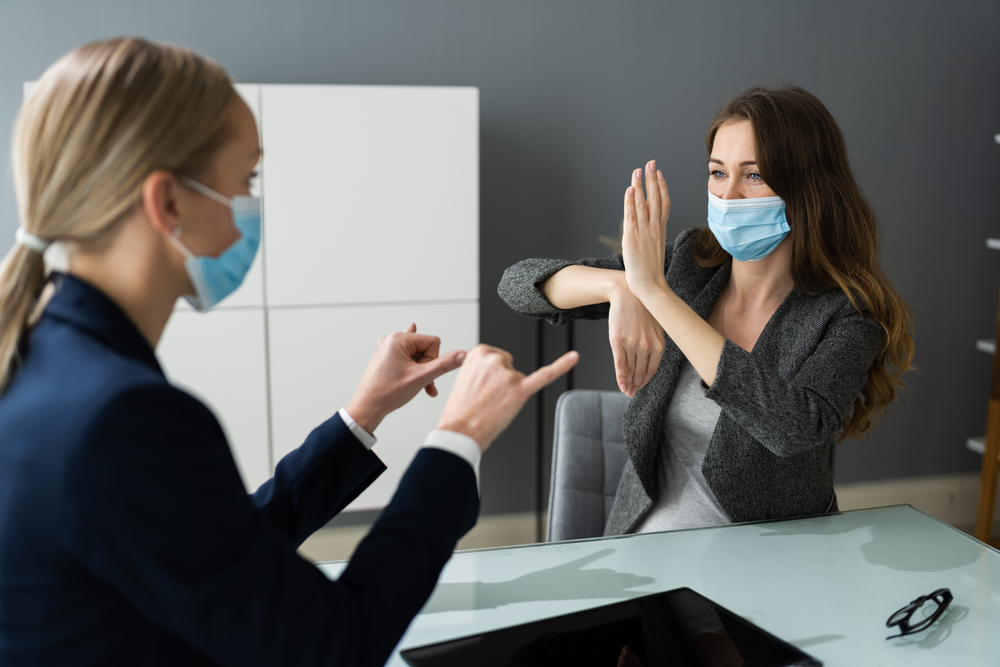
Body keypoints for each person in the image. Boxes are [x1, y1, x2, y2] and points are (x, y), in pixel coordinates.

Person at [0, 38, 577, 666]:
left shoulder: (42, 355)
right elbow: (338, 644)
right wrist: (460, 436)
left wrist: (363, 414)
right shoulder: (122, 414)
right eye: (246, 179)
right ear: (168, 202)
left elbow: (213, 548)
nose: (253, 207)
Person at [498, 85, 913, 536]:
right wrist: (623, 287)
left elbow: (794, 427)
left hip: (768, 569)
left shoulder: (849, 314)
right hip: (640, 555)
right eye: (718, 173)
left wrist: (657, 296)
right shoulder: (690, 263)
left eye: (753, 175)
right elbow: (518, 284)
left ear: (807, 187)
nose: (728, 195)